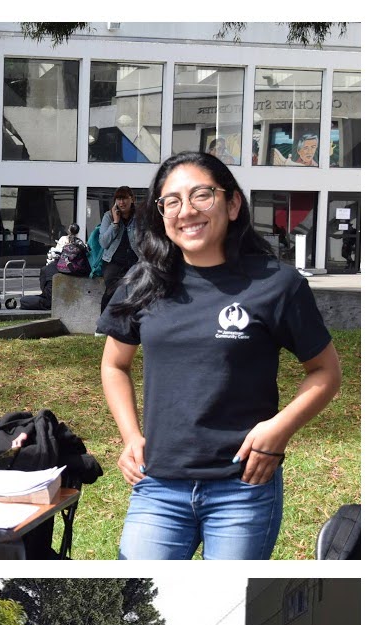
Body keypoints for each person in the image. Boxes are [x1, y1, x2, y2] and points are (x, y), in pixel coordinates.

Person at [97, 150, 341, 560]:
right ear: (160, 214)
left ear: (232, 203)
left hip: (242, 485)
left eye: (201, 195)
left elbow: (325, 372)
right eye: (171, 201)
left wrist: (278, 431)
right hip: (158, 484)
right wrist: (130, 436)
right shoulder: (142, 281)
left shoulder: (277, 284)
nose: (186, 210)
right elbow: (114, 364)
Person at [98, 186, 140, 312]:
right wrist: (115, 223)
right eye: (118, 199)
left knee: (136, 291)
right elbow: (103, 243)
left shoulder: (140, 216)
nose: (122, 202)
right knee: (111, 291)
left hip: (135, 261)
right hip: (113, 261)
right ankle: (102, 326)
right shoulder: (109, 216)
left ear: (132, 199)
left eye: (125, 198)